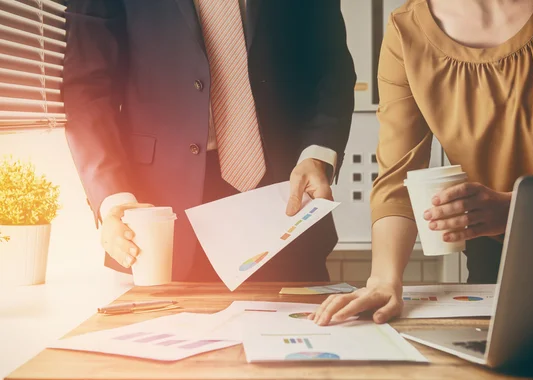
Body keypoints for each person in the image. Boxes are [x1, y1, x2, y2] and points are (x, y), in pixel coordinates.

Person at [311, 0, 533, 325]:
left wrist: (518, 209)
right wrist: (383, 279)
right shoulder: (407, 29)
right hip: (493, 265)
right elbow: (399, 178)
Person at [63, 0, 356, 282]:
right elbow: (86, 89)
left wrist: (317, 154)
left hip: (286, 197)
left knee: (298, 330)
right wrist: (112, 196)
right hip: (159, 213)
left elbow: (333, 69)